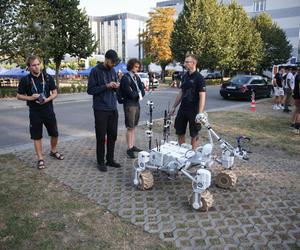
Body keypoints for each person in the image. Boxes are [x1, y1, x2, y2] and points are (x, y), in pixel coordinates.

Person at [17, 55, 64, 170]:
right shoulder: (25, 80)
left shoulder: (48, 77)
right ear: (29, 67)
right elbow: (18, 96)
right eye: (34, 65)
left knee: (55, 133)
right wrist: (31, 98)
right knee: (37, 136)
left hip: (48, 110)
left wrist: (48, 99)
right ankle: (40, 158)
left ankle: (53, 151)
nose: (37, 67)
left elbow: (55, 92)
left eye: (38, 64)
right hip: (35, 112)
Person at [87, 49, 122, 172]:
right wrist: (106, 86)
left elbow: (113, 89)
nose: (113, 65)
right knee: (101, 136)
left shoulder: (112, 70)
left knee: (112, 136)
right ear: (106, 59)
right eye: (112, 62)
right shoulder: (95, 71)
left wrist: (116, 86)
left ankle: (110, 160)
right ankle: (101, 162)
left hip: (113, 108)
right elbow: (90, 90)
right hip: (100, 109)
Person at [169, 54, 206, 150]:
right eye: (185, 62)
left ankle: (193, 154)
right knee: (179, 131)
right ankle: (183, 152)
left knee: (194, 134)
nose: (185, 63)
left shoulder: (199, 78)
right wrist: (174, 107)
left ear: (193, 63)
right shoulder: (185, 76)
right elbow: (181, 92)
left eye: (187, 62)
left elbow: (202, 96)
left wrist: (200, 113)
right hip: (183, 109)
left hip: (194, 110)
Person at [120, 58, 145, 158]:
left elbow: (142, 90)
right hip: (129, 104)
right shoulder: (126, 78)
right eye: (136, 66)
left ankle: (132, 145)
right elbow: (128, 93)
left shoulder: (136, 77)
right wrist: (137, 93)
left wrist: (138, 93)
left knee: (134, 126)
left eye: (138, 67)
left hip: (136, 103)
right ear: (130, 66)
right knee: (130, 127)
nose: (137, 68)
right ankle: (129, 148)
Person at [291, 67, 300, 133]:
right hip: (298, 96)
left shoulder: (297, 76)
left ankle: (293, 123)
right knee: (298, 111)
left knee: (296, 110)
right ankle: (297, 127)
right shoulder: (298, 77)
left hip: (296, 95)